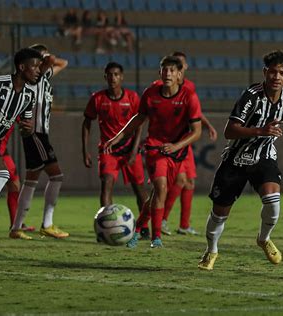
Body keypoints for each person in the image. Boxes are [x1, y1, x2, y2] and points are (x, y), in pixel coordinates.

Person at [197, 50, 283, 270]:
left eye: (282, 73)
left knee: (273, 202)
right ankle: (211, 251)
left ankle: (263, 239)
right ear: (265, 72)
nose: (277, 77)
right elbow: (229, 131)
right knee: (219, 214)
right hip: (235, 160)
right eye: (273, 72)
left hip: (263, 157)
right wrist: (260, 131)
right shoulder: (251, 96)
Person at [105, 55, 202, 249]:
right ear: (160, 72)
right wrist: (118, 137)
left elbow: (196, 132)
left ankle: (139, 227)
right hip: (155, 148)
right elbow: (138, 119)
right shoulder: (150, 94)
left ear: (179, 74)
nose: (168, 74)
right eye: (165, 70)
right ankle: (156, 237)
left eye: (172, 70)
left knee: (157, 194)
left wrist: (176, 146)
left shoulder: (188, 97)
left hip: (176, 152)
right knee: (161, 188)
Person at [10, 44, 69, 240]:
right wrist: (42, 55)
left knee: (31, 180)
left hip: (38, 133)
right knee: (56, 176)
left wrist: (44, 56)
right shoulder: (34, 78)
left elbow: (64, 62)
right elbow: (53, 60)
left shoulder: (43, 77)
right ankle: (47, 224)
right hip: (36, 133)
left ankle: (16, 228)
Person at [155, 52, 218, 237]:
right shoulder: (161, 88)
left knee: (189, 182)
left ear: (184, 69)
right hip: (168, 142)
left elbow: (195, 112)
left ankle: (183, 224)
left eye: (181, 66)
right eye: (175, 66)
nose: (179, 69)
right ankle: (162, 219)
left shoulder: (189, 88)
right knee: (177, 181)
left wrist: (208, 126)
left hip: (184, 142)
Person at [82, 62, 148, 223]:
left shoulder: (132, 98)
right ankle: (108, 224)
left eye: (116, 74)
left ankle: (144, 226)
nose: (113, 78)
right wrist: (85, 151)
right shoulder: (97, 99)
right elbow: (87, 122)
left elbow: (139, 124)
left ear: (122, 77)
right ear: (105, 77)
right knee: (106, 184)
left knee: (139, 190)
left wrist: (134, 150)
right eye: (110, 74)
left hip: (130, 149)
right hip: (108, 150)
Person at [0, 47, 41, 247]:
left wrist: (27, 129)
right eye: (35, 66)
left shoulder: (28, 97)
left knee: (4, 176)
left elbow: (26, 128)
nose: (38, 71)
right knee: (3, 173)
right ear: (22, 67)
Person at [0, 124, 34, 232]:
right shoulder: (12, 107)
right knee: (13, 184)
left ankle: (15, 224)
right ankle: (16, 224)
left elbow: (26, 125)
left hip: (1, 151)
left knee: (14, 184)